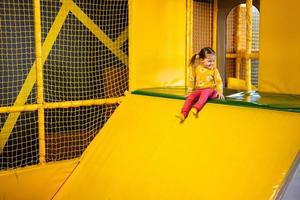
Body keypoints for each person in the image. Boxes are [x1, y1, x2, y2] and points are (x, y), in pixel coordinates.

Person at [177, 47, 224, 122]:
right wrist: (189, 92)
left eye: (213, 61)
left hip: (210, 91)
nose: (212, 63)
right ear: (202, 60)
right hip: (199, 90)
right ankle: (183, 114)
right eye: (209, 61)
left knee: (205, 93)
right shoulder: (197, 68)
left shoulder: (214, 70)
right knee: (191, 97)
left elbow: (219, 81)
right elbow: (192, 80)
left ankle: (196, 108)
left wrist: (220, 91)